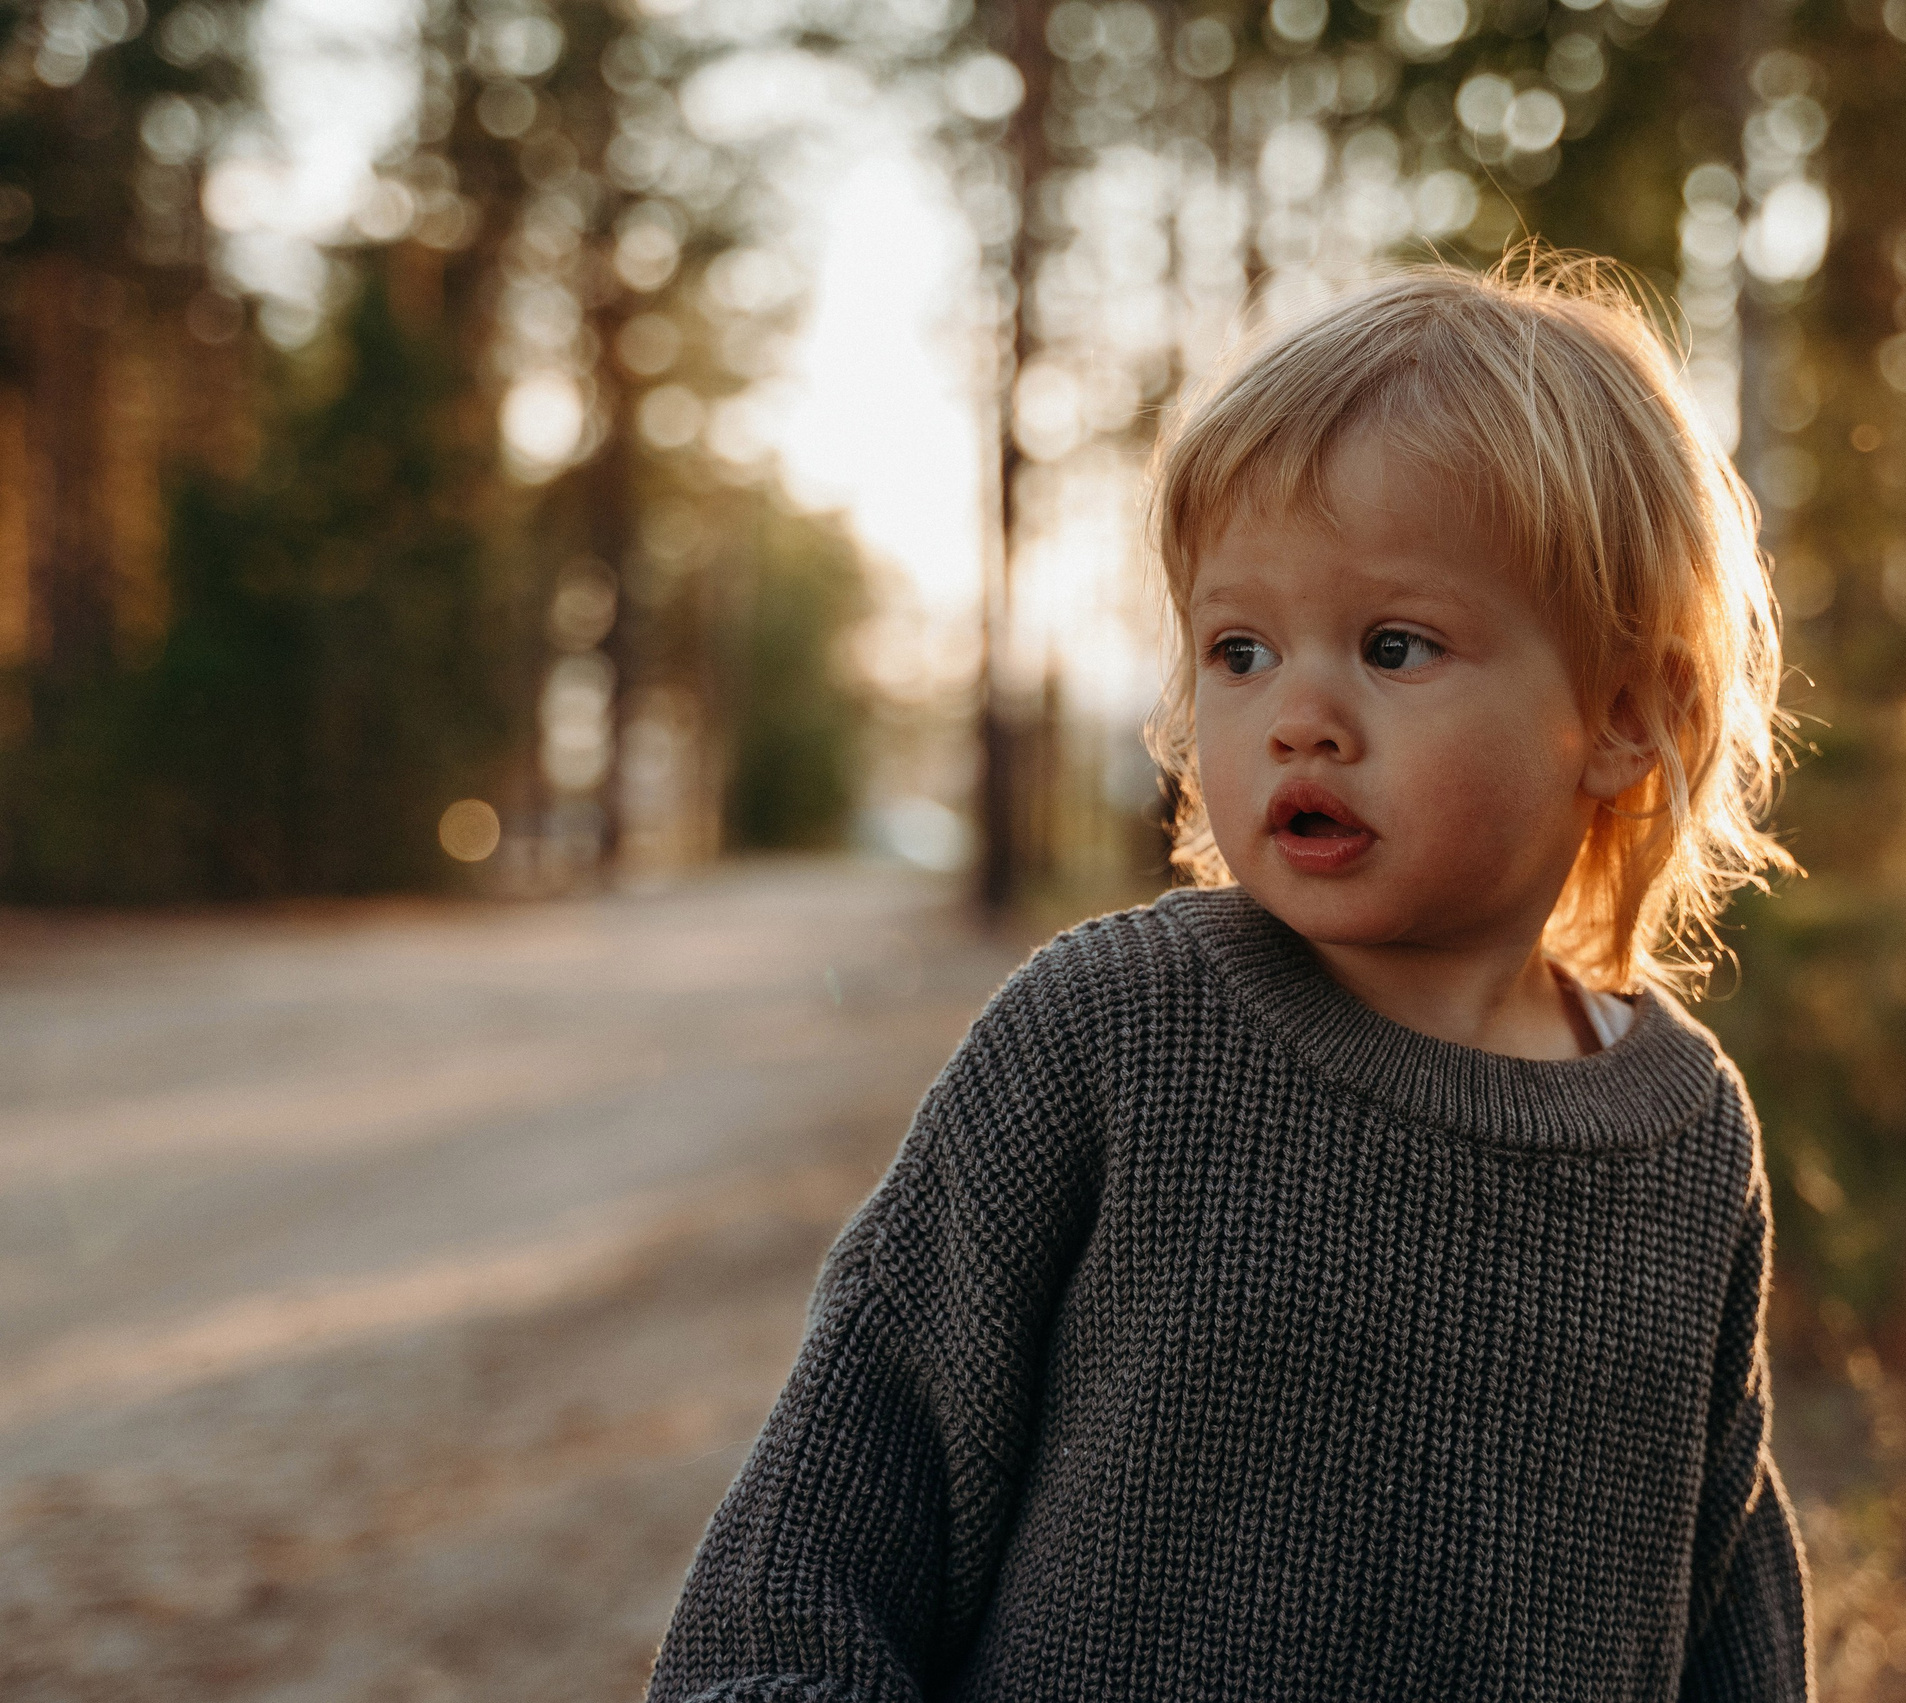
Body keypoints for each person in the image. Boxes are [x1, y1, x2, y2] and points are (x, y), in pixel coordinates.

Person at [643, 255, 1811, 1703]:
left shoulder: (1686, 1140)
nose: (1298, 719)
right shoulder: (1116, 1029)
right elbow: (845, 1491)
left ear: (1629, 714)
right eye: (1239, 650)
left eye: (1395, 646)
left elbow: (1721, 1598)